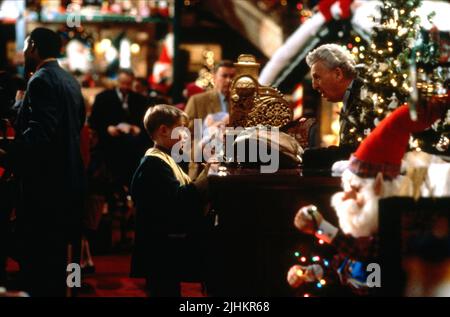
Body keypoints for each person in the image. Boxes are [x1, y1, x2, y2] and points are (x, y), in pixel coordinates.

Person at [290, 97, 449, 294]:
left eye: (355, 189)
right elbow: (348, 263)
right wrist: (313, 271)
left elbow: (367, 253)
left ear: (380, 185)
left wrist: (321, 227)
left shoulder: (400, 224)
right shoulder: (368, 228)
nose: (345, 197)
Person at [0, 27, 86, 297]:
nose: (24, 52)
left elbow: (40, 133)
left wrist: (8, 156)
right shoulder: (70, 80)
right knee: (57, 257)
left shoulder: (41, 79)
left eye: (26, 46)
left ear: (34, 46)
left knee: (39, 258)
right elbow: (75, 125)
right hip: (69, 177)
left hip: (45, 183)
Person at [130, 104, 210, 297]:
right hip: (159, 251)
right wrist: (208, 175)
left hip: (165, 248)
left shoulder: (166, 158)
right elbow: (178, 202)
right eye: (181, 130)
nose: (185, 136)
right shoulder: (153, 164)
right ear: (164, 131)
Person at [306, 43, 369, 148]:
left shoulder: (364, 100)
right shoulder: (352, 98)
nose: (314, 86)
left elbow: (353, 153)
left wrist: (306, 156)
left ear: (338, 74)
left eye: (317, 77)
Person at [185, 60, 236, 131]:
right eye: (224, 76)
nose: (229, 80)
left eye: (232, 76)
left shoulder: (241, 102)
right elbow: (186, 132)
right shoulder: (197, 101)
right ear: (214, 77)